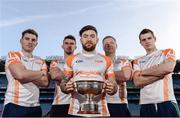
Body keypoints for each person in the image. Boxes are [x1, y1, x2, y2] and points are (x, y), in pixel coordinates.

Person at [60, 25, 117, 117]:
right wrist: (65, 87)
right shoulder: (71, 59)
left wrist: (112, 88)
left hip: (101, 112)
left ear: (97, 40)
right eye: (85, 36)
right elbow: (63, 82)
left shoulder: (106, 60)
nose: (89, 39)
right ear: (81, 40)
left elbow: (113, 84)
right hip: (75, 111)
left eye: (92, 36)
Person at [2, 29, 49, 117]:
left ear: (36, 44)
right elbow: (21, 75)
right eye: (27, 39)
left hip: (35, 107)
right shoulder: (13, 55)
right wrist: (41, 73)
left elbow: (45, 82)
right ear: (21, 41)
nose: (30, 42)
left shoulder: (41, 61)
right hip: (14, 105)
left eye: (33, 40)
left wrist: (27, 74)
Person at [133, 28, 180, 117]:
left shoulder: (167, 52)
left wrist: (143, 72)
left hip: (166, 102)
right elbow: (137, 82)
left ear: (155, 39)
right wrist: (159, 74)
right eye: (143, 39)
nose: (147, 41)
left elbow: (168, 68)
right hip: (146, 104)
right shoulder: (137, 61)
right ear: (141, 43)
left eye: (149, 38)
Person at [102, 36, 132, 117]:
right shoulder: (98, 62)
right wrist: (117, 74)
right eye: (106, 44)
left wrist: (102, 73)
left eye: (111, 43)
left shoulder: (123, 60)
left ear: (116, 45)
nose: (109, 45)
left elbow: (125, 76)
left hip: (119, 104)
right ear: (103, 47)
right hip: (102, 104)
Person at [49, 35, 77, 117]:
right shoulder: (56, 61)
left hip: (77, 104)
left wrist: (62, 74)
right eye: (66, 43)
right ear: (62, 46)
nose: (69, 45)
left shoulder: (81, 61)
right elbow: (54, 75)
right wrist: (76, 75)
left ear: (75, 47)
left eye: (72, 43)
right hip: (59, 104)